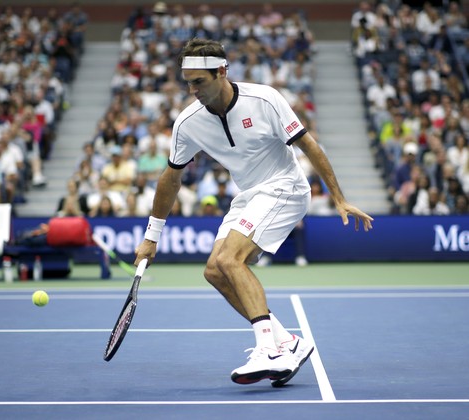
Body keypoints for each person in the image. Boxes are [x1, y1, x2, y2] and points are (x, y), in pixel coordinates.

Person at [134, 38, 374, 387]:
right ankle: (287, 342)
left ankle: (268, 351)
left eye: (199, 82)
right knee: (215, 271)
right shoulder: (188, 123)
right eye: (187, 82)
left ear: (221, 72)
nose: (192, 90)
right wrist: (151, 237)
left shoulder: (265, 99)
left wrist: (338, 197)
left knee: (231, 259)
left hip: (286, 187)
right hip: (248, 195)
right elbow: (171, 177)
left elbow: (308, 144)